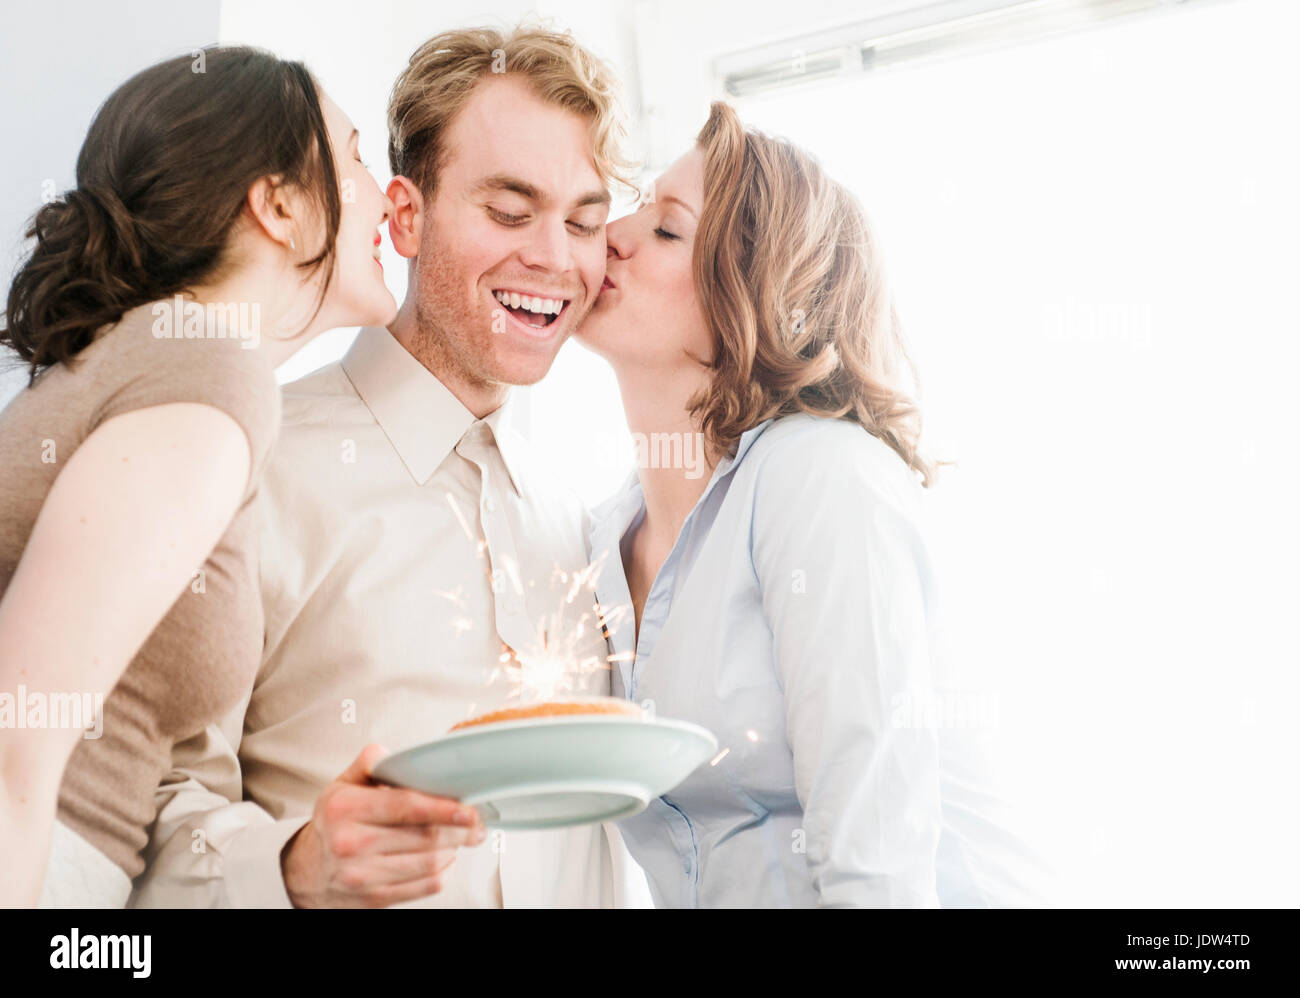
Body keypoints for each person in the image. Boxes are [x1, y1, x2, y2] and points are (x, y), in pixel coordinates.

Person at [129, 25, 652, 908]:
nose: (556, 258)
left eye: (585, 222)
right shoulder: (247, 468)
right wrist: (292, 869)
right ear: (405, 217)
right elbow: (133, 817)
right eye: (510, 212)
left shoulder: (578, 523)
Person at [579, 102, 1051, 907]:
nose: (611, 233)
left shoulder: (818, 477)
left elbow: (876, 865)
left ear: (752, 294)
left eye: (666, 230)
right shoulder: (598, 538)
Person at [0, 46, 408, 907]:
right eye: (359, 157)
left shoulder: (151, 356)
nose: (387, 196)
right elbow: (16, 742)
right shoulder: (210, 369)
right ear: (280, 205)